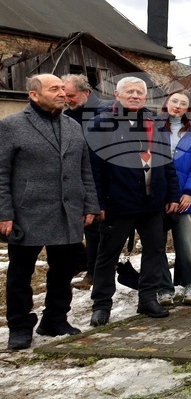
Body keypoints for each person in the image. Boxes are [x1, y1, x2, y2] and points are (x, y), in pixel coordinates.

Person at [1, 74, 99, 350]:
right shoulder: (11, 126)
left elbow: (84, 170)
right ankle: (19, 327)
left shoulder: (72, 126)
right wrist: (3, 213)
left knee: (63, 270)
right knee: (20, 274)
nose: (62, 93)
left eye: (63, 89)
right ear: (34, 95)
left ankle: (55, 319)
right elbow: (1, 173)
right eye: (54, 89)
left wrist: (90, 204)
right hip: (26, 213)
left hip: (67, 211)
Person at [86, 76, 180, 326]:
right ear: (117, 95)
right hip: (118, 201)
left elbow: (166, 160)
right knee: (107, 254)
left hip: (152, 202)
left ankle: (147, 299)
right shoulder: (101, 124)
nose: (135, 96)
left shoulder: (156, 122)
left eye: (139, 92)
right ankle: (102, 305)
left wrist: (172, 194)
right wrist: (98, 204)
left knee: (154, 251)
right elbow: (94, 168)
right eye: (129, 92)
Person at [156, 91, 191, 306]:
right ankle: (163, 288)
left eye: (183, 103)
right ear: (166, 104)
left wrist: (189, 192)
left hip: (184, 199)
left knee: (189, 243)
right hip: (157, 199)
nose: (177, 106)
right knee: (156, 246)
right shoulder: (153, 129)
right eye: (174, 101)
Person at [62, 74, 107, 290]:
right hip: (77, 179)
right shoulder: (68, 114)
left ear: (86, 93)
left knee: (97, 228)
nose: (66, 99)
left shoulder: (104, 113)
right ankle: (88, 266)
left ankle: (96, 274)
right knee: (83, 226)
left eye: (70, 95)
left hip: (100, 180)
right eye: (64, 95)